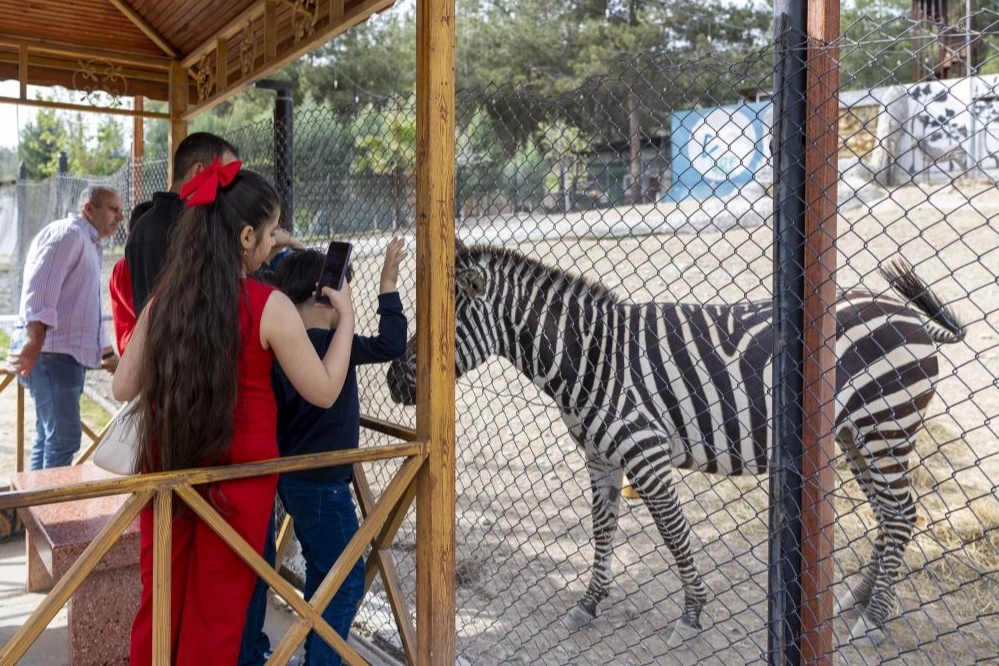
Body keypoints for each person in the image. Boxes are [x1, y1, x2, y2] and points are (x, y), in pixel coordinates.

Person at [112, 160, 356, 665]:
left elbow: (121, 386)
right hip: (240, 479)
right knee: (218, 614)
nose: (273, 245)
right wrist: (348, 318)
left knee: (162, 601)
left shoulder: (165, 301)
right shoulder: (270, 305)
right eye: (269, 234)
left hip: (168, 466)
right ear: (246, 235)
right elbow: (326, 390)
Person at [241, 240, 408, 666]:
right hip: (326, 488)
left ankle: (314, 652)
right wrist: (388, 284)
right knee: (346, 581)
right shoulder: (338, 344)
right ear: (326, 293)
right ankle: (323, 659)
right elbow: (392, 344)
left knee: (323, 571)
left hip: (293, 482)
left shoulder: (277, 346)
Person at [8, 185, 123, 470]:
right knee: (64, 440)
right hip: (51, 355)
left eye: (121, 210)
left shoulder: (88, 243)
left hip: (59, 356)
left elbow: (87, 309)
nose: (120, 217)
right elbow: (41, 287)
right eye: (112, 209)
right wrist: (34, 343)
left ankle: (30, 508)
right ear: (88, 209)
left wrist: (107, 355)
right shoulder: (69, 234)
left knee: (51, 440)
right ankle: (46, 511)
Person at [124, 132, 239, 318]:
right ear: (199, 170)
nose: (228, 191)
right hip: (189, 342)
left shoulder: (141, 225)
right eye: (224, 177)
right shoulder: (196, 224)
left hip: (150, 341)